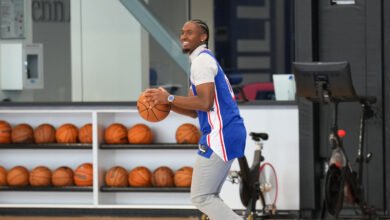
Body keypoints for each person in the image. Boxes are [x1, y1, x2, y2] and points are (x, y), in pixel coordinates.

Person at [144, 19, 246, 220]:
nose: (183, 36)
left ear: (203, 37)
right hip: (228, 132)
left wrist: (170, 97)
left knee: (201, 197)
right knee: (210, 196)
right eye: (182, 32)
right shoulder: (201, 62)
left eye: (190, 32)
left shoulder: (202, 62)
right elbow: (195, 110)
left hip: (221, 134)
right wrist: (167, 104)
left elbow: (205, 103)